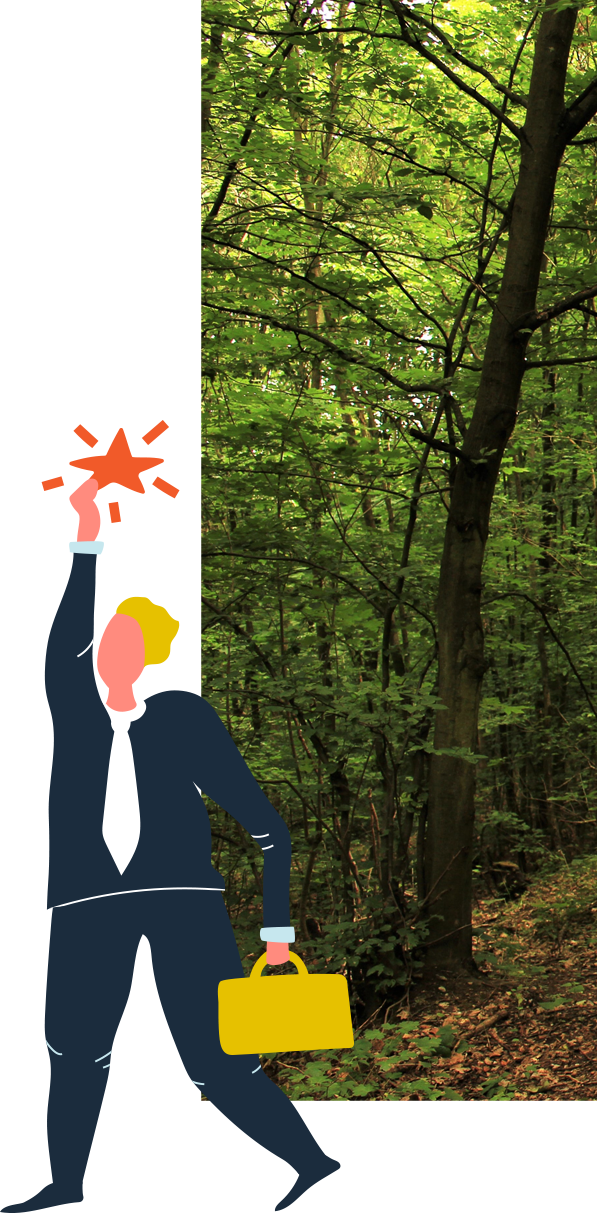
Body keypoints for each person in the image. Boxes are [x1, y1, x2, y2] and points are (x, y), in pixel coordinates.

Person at [4, 480, 341, 1213]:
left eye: (128, 639)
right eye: (107, 638)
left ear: (150, 653)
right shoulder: (76, 716)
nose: (110, 649)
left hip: (184, 904)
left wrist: (276, 932)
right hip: (87, 903)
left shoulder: (184, 717)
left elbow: (265, 827)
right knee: (71, 1049)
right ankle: (65, 1184)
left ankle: (310, 1162)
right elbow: (61, 649)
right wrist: (86, 539)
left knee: (217, 1062)